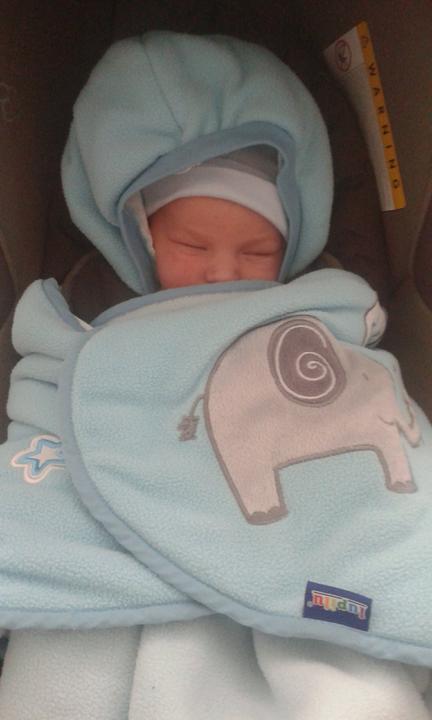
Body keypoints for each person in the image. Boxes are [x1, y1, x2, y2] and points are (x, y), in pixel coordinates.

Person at [1, 31, 432, 719]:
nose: (222, 270)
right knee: (69, 663)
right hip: (124, 560)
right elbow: (47, 409)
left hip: (301, 554)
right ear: (139, 232)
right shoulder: (91, 328)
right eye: (191, 244)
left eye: (257, 250)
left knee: (342, 683)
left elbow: (362, 397)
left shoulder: (320, 309)